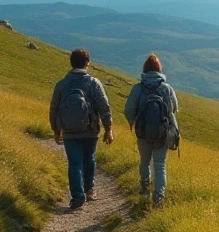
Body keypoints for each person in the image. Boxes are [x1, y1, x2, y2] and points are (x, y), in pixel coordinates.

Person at [49, 47, 113, 209]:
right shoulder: (94, 83)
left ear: (71, 63)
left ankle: (77, 197)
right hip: (90, 131)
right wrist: (108, 129)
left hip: (69, 131)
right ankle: (89, 189)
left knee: (74, 163)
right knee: (89, 158)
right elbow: (104, 107)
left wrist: (56, 130)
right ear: (87, 63)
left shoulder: (62, 84)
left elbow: (54, 108)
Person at [124, 53, 179, 205]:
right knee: (160, 164)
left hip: (143, 132)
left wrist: (132, 121)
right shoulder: (167, 89)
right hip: (162, 133)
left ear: (145, 70)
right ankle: (159, 197)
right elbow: (175, 109)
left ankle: (144, 189)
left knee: (144, 162)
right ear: (159, 69)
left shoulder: (138, 88)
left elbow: (128, 109)